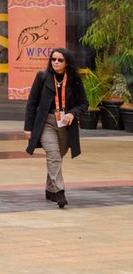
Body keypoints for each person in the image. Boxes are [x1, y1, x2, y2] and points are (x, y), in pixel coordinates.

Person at [23, 48, 85, 209]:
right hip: (46, 122)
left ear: (67, 63)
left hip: (65, 123)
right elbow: (32, 103)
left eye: (60, 60)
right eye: (53, 59)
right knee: (53, 154)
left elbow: (84, 103)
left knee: (59, 154)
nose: (56, 62)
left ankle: (50, 188)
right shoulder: (42, 77)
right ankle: (60, 192)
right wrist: (28, 127)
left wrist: (73, 112)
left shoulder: (74, 79)